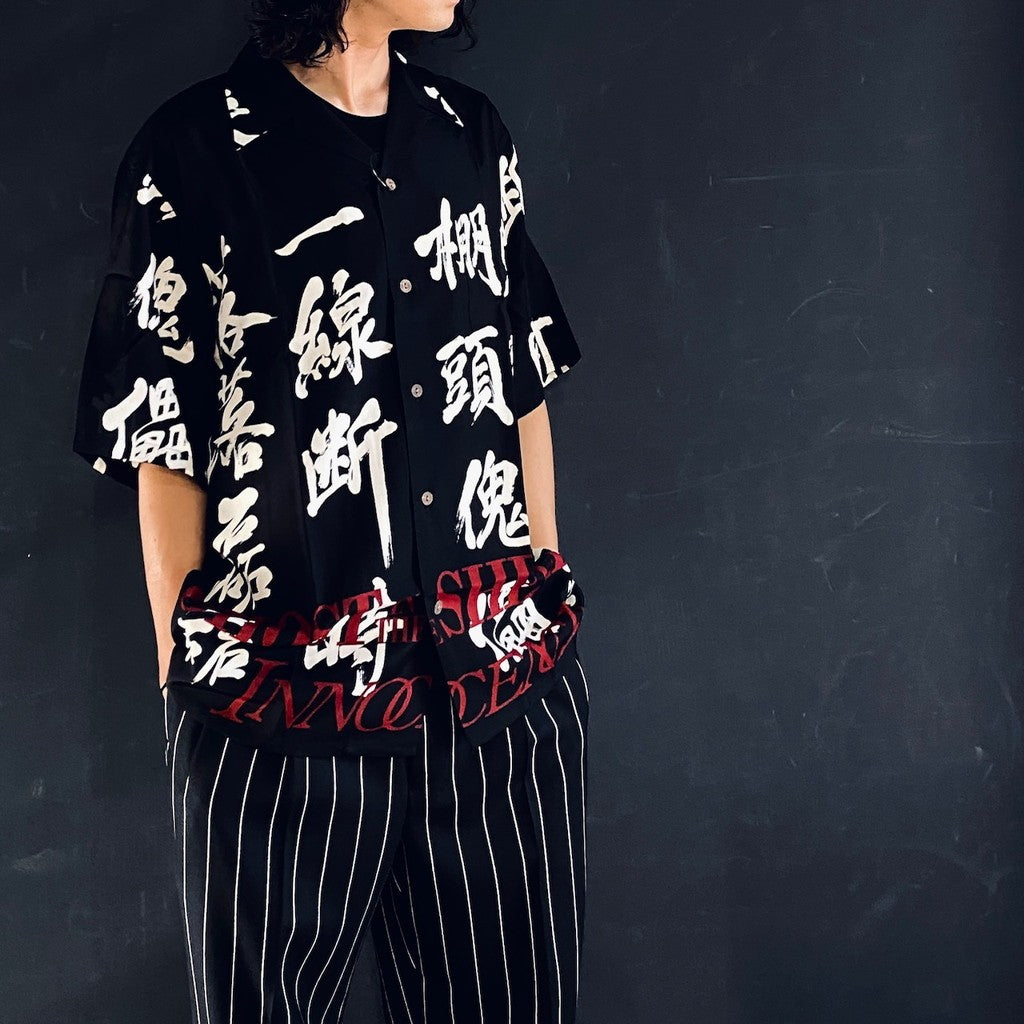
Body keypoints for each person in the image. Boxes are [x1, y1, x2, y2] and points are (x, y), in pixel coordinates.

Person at [72, 1, 590, 1021]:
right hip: (276, 716)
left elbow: (519, 379)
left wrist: (539, 590)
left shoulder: (468, 135)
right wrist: (188, 672)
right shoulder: (192, 152)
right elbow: (160, 430)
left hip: (497, 703)